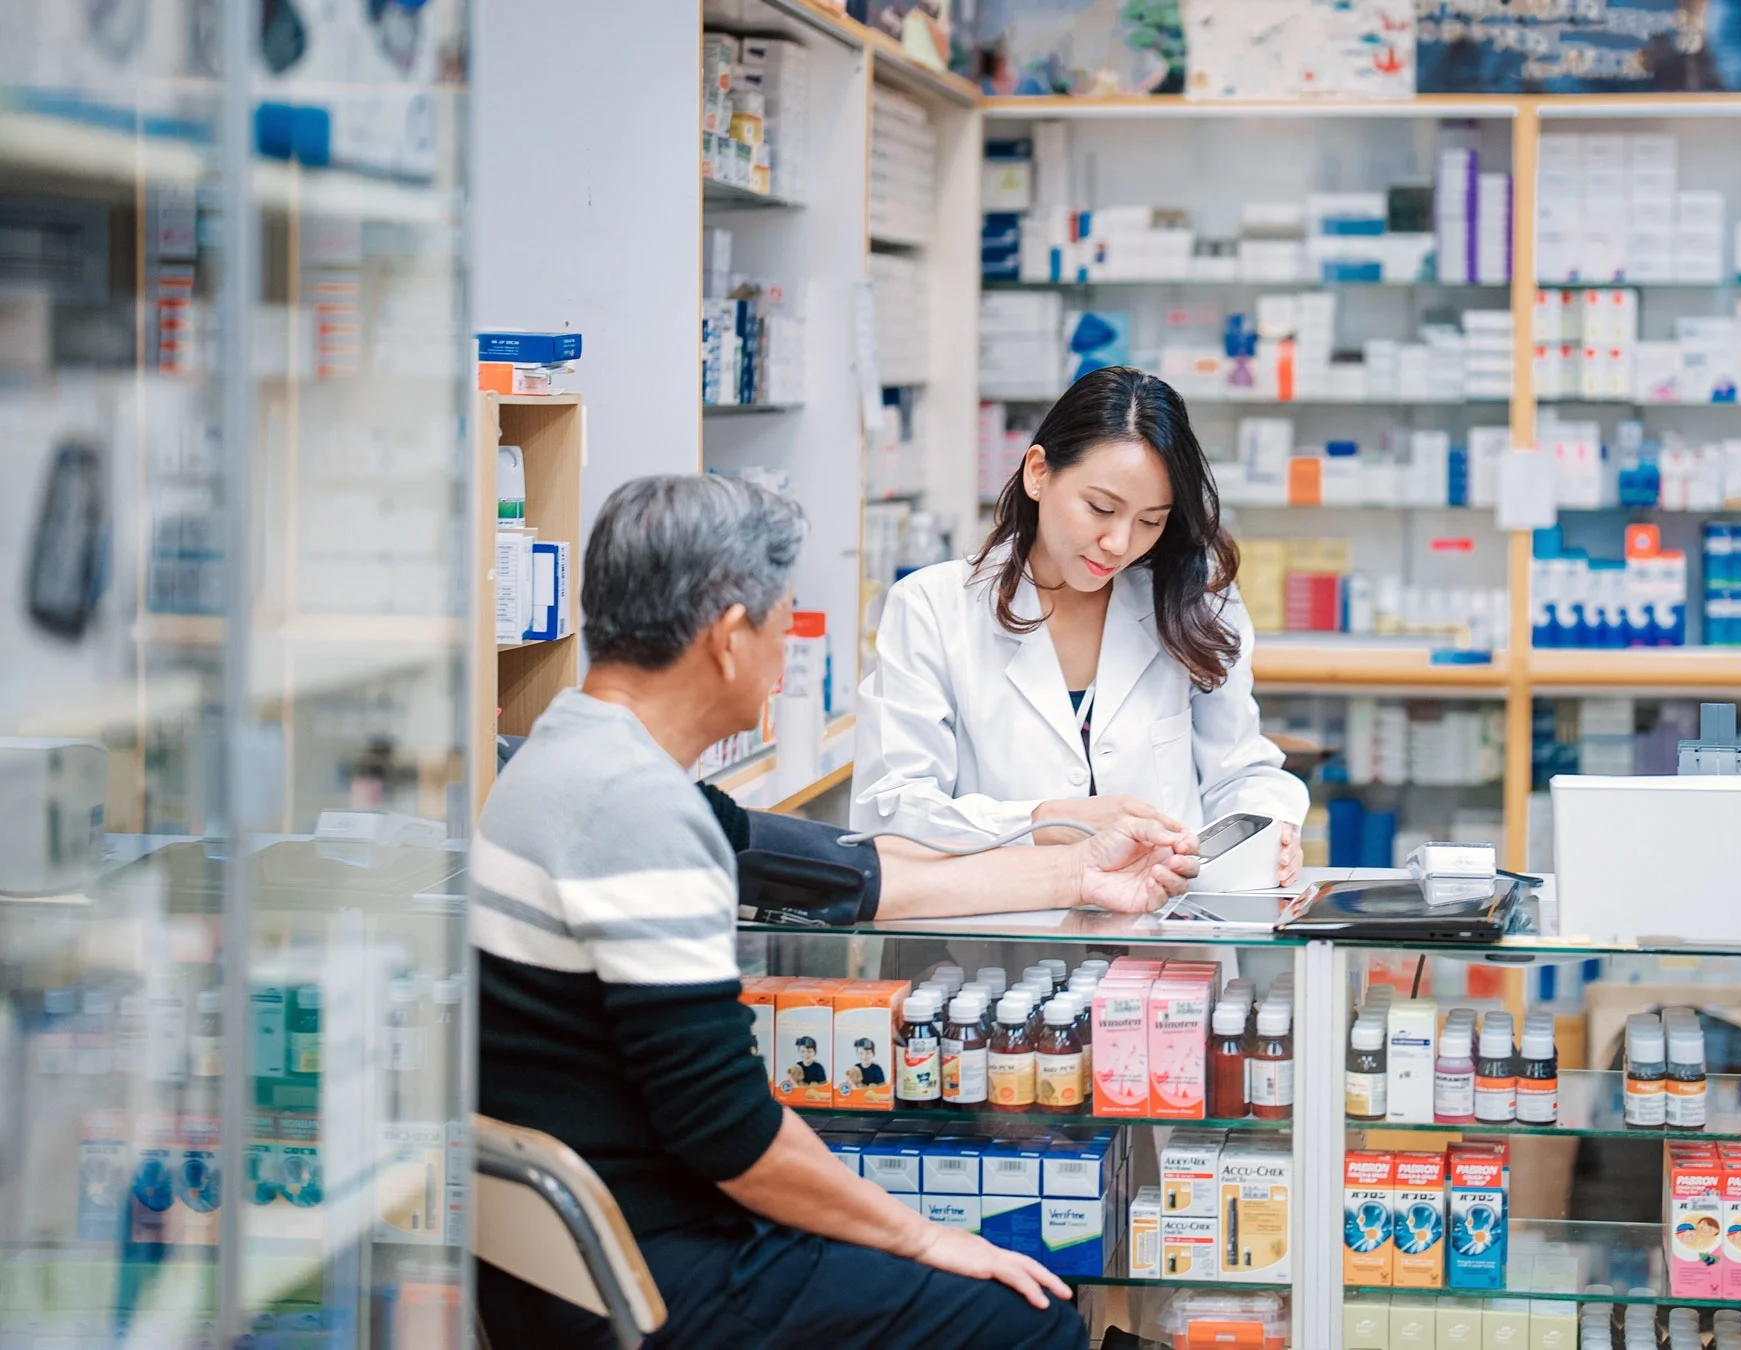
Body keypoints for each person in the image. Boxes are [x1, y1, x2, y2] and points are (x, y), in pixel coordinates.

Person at [472, 474, 1197, 1349]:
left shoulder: (571, 753)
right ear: (731, 638)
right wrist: (928, 1237)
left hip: (572, 1252)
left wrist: (1081, 871)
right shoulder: (637, 813)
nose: (789, 658)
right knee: (1023, 1316)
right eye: (785, 622)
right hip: (645, 1273)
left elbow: (850, 876)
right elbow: (732, 1133)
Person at [855, 366, 1309, 880]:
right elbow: (891, 813)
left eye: (1150, 521)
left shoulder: (1193, 597)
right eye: (1100, 508)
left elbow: (1240, 769)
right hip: (994, 939)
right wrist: (1045, 819)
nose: (1119, 542)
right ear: (1038, 473)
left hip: (1169, 934)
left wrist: (1268, 828)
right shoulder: (932, 608)